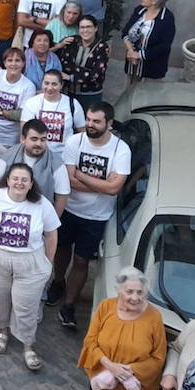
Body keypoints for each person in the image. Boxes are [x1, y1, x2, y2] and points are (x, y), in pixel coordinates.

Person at [0, 162, 60, 371]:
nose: (19, 183)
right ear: (8, 180)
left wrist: (48, 262)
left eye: (24, 180)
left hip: (29, 262)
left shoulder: (42, 204)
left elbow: (51, 234)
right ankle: (3, 330)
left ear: (31, 184)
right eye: (15, 178)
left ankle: (28, 345)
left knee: (26, 306)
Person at [52, 103, 131, 328]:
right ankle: (58, 282)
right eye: (88, 119)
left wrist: (81, 175)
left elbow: (114, 189)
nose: (90, 124)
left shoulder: (120, 149)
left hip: (97, 217)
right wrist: (103, 184)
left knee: (81, 260)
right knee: (62, 250)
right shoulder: (74, 142)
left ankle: (69, 304)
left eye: (96, 121)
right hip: (69, 208)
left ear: (109, 124)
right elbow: (69, 180)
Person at [122, 0, 177, 84]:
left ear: (154, 2)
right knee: (130, 94)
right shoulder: (139, 10)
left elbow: (164, 46)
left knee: (148, 96)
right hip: (132, 65)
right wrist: (130, 51)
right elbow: (125, 32)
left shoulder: (166, 18)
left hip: (152, 68)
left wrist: (139, 55)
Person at [19, 69, 84, 153]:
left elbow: (82, 133)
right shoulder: (32, 103)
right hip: (37, 154)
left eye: (54, 84)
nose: (50, 88)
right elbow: (24, 133)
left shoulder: (73, 104)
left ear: (61, 85)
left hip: (64, 155)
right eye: (46, 83)